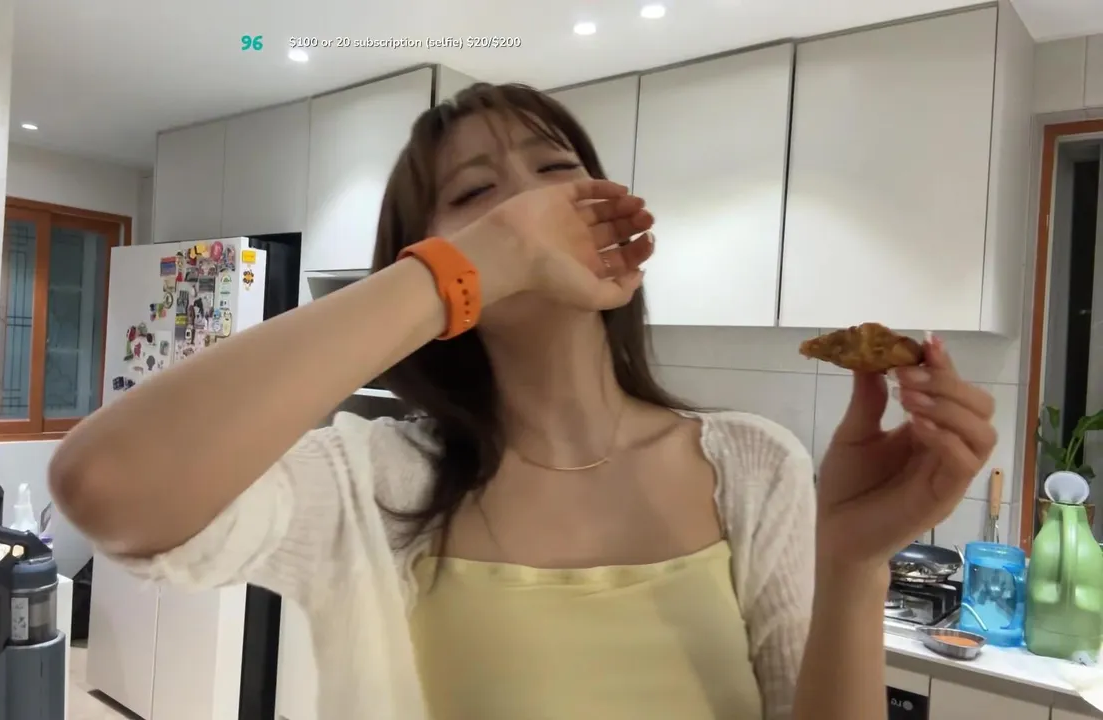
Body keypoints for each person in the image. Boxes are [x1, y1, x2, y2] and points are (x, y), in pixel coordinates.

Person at [50, 83, 997, 720]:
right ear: (433, 257)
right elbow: (109, 485)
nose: (532, 210)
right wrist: (483, 262)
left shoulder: (751, 463)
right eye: (478, 194)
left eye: (556, 172)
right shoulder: (372, 480)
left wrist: (853, 564)